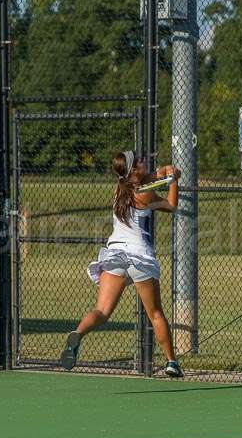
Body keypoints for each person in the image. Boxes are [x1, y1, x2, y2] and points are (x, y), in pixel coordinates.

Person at [60, 150, 184, 377]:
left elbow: (143, 180)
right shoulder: (145, 195)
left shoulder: (119, 188)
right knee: (155, 313)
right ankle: (172, 362)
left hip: (115, 255)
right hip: (139, 257)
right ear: (133, 170)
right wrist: (173, 180)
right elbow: (171, 205)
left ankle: (77, 333)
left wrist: (161, 173)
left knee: (102, 311)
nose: (144, 161)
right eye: (139, 161)